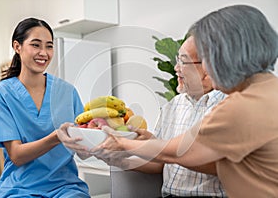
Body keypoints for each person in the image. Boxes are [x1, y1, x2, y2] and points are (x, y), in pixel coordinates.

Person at [91, 5, 278, 197]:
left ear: (225, 56)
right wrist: (145, 147)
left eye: (206, 56)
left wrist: (122, 143)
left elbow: (181, 151)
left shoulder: (240, 106)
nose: (206, 66)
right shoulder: (267, 90)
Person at [95, 33, 227, 197]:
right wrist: (120, 160)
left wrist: (140, 146)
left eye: (183, 62)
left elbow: (219, 165)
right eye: (177, 60)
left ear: (207, 69)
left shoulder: (227, 107)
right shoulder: (173, 106)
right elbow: (161, 163)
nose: (176, 68)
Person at [0, 18, 90, 198]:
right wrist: (57, 137)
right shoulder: (0, 94)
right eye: (36, 45)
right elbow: (17, 155)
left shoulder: (67, 92)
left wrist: (103, 138)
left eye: (49, 46)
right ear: (17, 47)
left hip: (66, 187)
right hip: (19, 187)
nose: (44, 53)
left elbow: (84, 150)